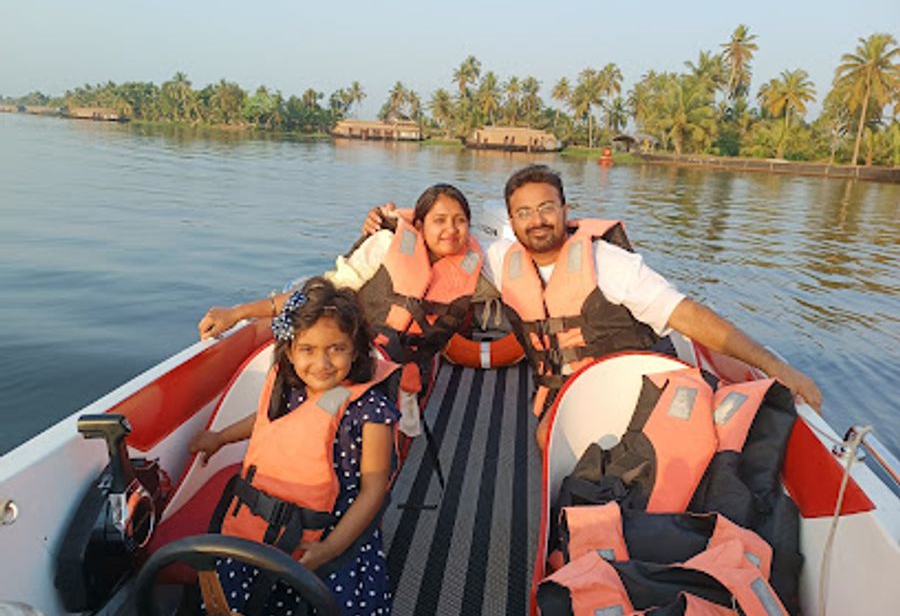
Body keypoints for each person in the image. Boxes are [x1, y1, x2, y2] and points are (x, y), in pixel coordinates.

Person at [365, 164, 823, 450]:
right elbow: (440, 232)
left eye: (547, 208)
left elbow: (691, 317)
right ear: (511, 221)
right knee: (548, 442)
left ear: (566, 211)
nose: (537, 220)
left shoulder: (609, 263)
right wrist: (388, 219)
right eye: (523, 213)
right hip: (562, 399)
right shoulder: (502, 260)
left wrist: (774, 365)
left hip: (633, 395)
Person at [198, 184, 491, 442]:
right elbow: (320, 295)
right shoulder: (386, 244)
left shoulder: (476, 267)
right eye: (439, 220)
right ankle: (233, 443)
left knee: (387, 439)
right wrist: (238, 312)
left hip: (405, 373)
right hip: (352, 361)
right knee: (318, 416)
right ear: (419, 222)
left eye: (460, 221)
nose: (451, 230)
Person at [189, 277, 401, 615]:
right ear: (290, 350)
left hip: (331, 534)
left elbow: (373, 491)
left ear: (356, 350)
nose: (323, 363)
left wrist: (330, 548)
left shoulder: (370, 411)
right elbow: (263, 423)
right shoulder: (289, 389)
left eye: (337, 348)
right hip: (265, 528)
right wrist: (219, 438)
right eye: (308, 350)